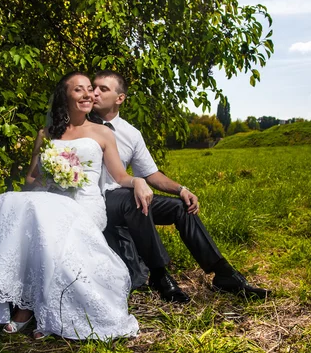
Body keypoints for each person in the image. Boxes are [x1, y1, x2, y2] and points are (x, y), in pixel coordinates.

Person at [0, 72, 152, 340]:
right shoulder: (47, 133)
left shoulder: (103, 133)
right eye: (79, 90)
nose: (88, 94)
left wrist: (139, 181)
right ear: (65, 97)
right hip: (50, 200)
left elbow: (120, 176)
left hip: (84, 205)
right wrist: (51, 173)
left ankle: (36, 310)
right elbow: (30, 180)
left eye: (89, 89)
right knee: (3, 204)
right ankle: (17, 300)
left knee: (46, 223)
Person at [92, 70, 271, 302]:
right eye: (93, 87)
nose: (94, 92)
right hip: (99, 200)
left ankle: (223, 272)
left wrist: (181, 189)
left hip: (126, 197)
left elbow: (151, 173)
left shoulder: (131, 133)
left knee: (180, 208)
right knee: (134, 199)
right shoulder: (80, 127)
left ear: (120, 98)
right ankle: (159, 274)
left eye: (103, 89)